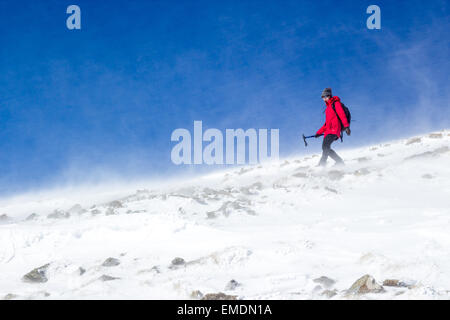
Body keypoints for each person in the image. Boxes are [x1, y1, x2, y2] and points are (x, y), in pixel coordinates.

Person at [315, 88, 351, 167]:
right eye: (323, 97)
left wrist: (347, 127)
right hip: (328, 131)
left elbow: (342, 115)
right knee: (325, 147)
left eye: (325, 96)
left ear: (329, 96)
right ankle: (339, 162)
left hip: (334, 130)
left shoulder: (336, 103)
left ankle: (322, 163)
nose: (324, 99)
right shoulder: (328, 108)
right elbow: (326, 124)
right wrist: (318, 132)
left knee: (325, 147)